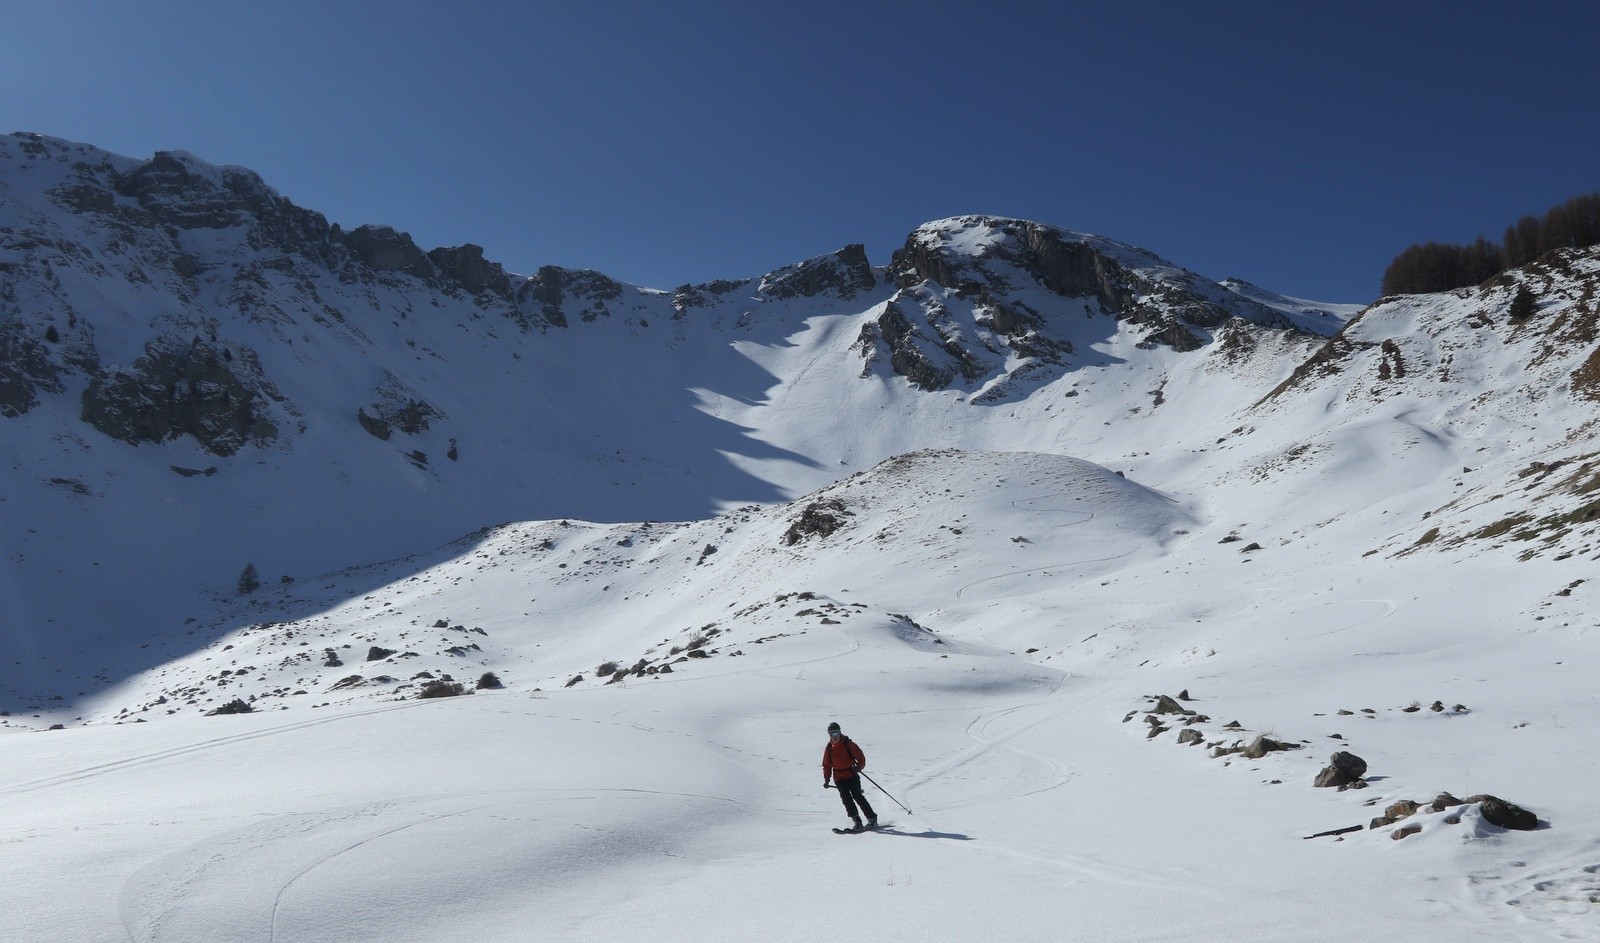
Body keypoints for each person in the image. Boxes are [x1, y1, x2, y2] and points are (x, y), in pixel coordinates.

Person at [822, 721, 877, 829]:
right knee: (846, 799)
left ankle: (872, 819)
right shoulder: (829, 748)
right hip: (839, 778)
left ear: (840, 733)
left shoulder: (848, 744)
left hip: (851, 775)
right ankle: (857, 821)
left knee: (858, 796)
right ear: (829, 735)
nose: (835, 736)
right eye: (832, 734)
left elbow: (861, 757)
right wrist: (826, 779)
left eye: (836, 733)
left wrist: (859, 767)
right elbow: (826, 765)